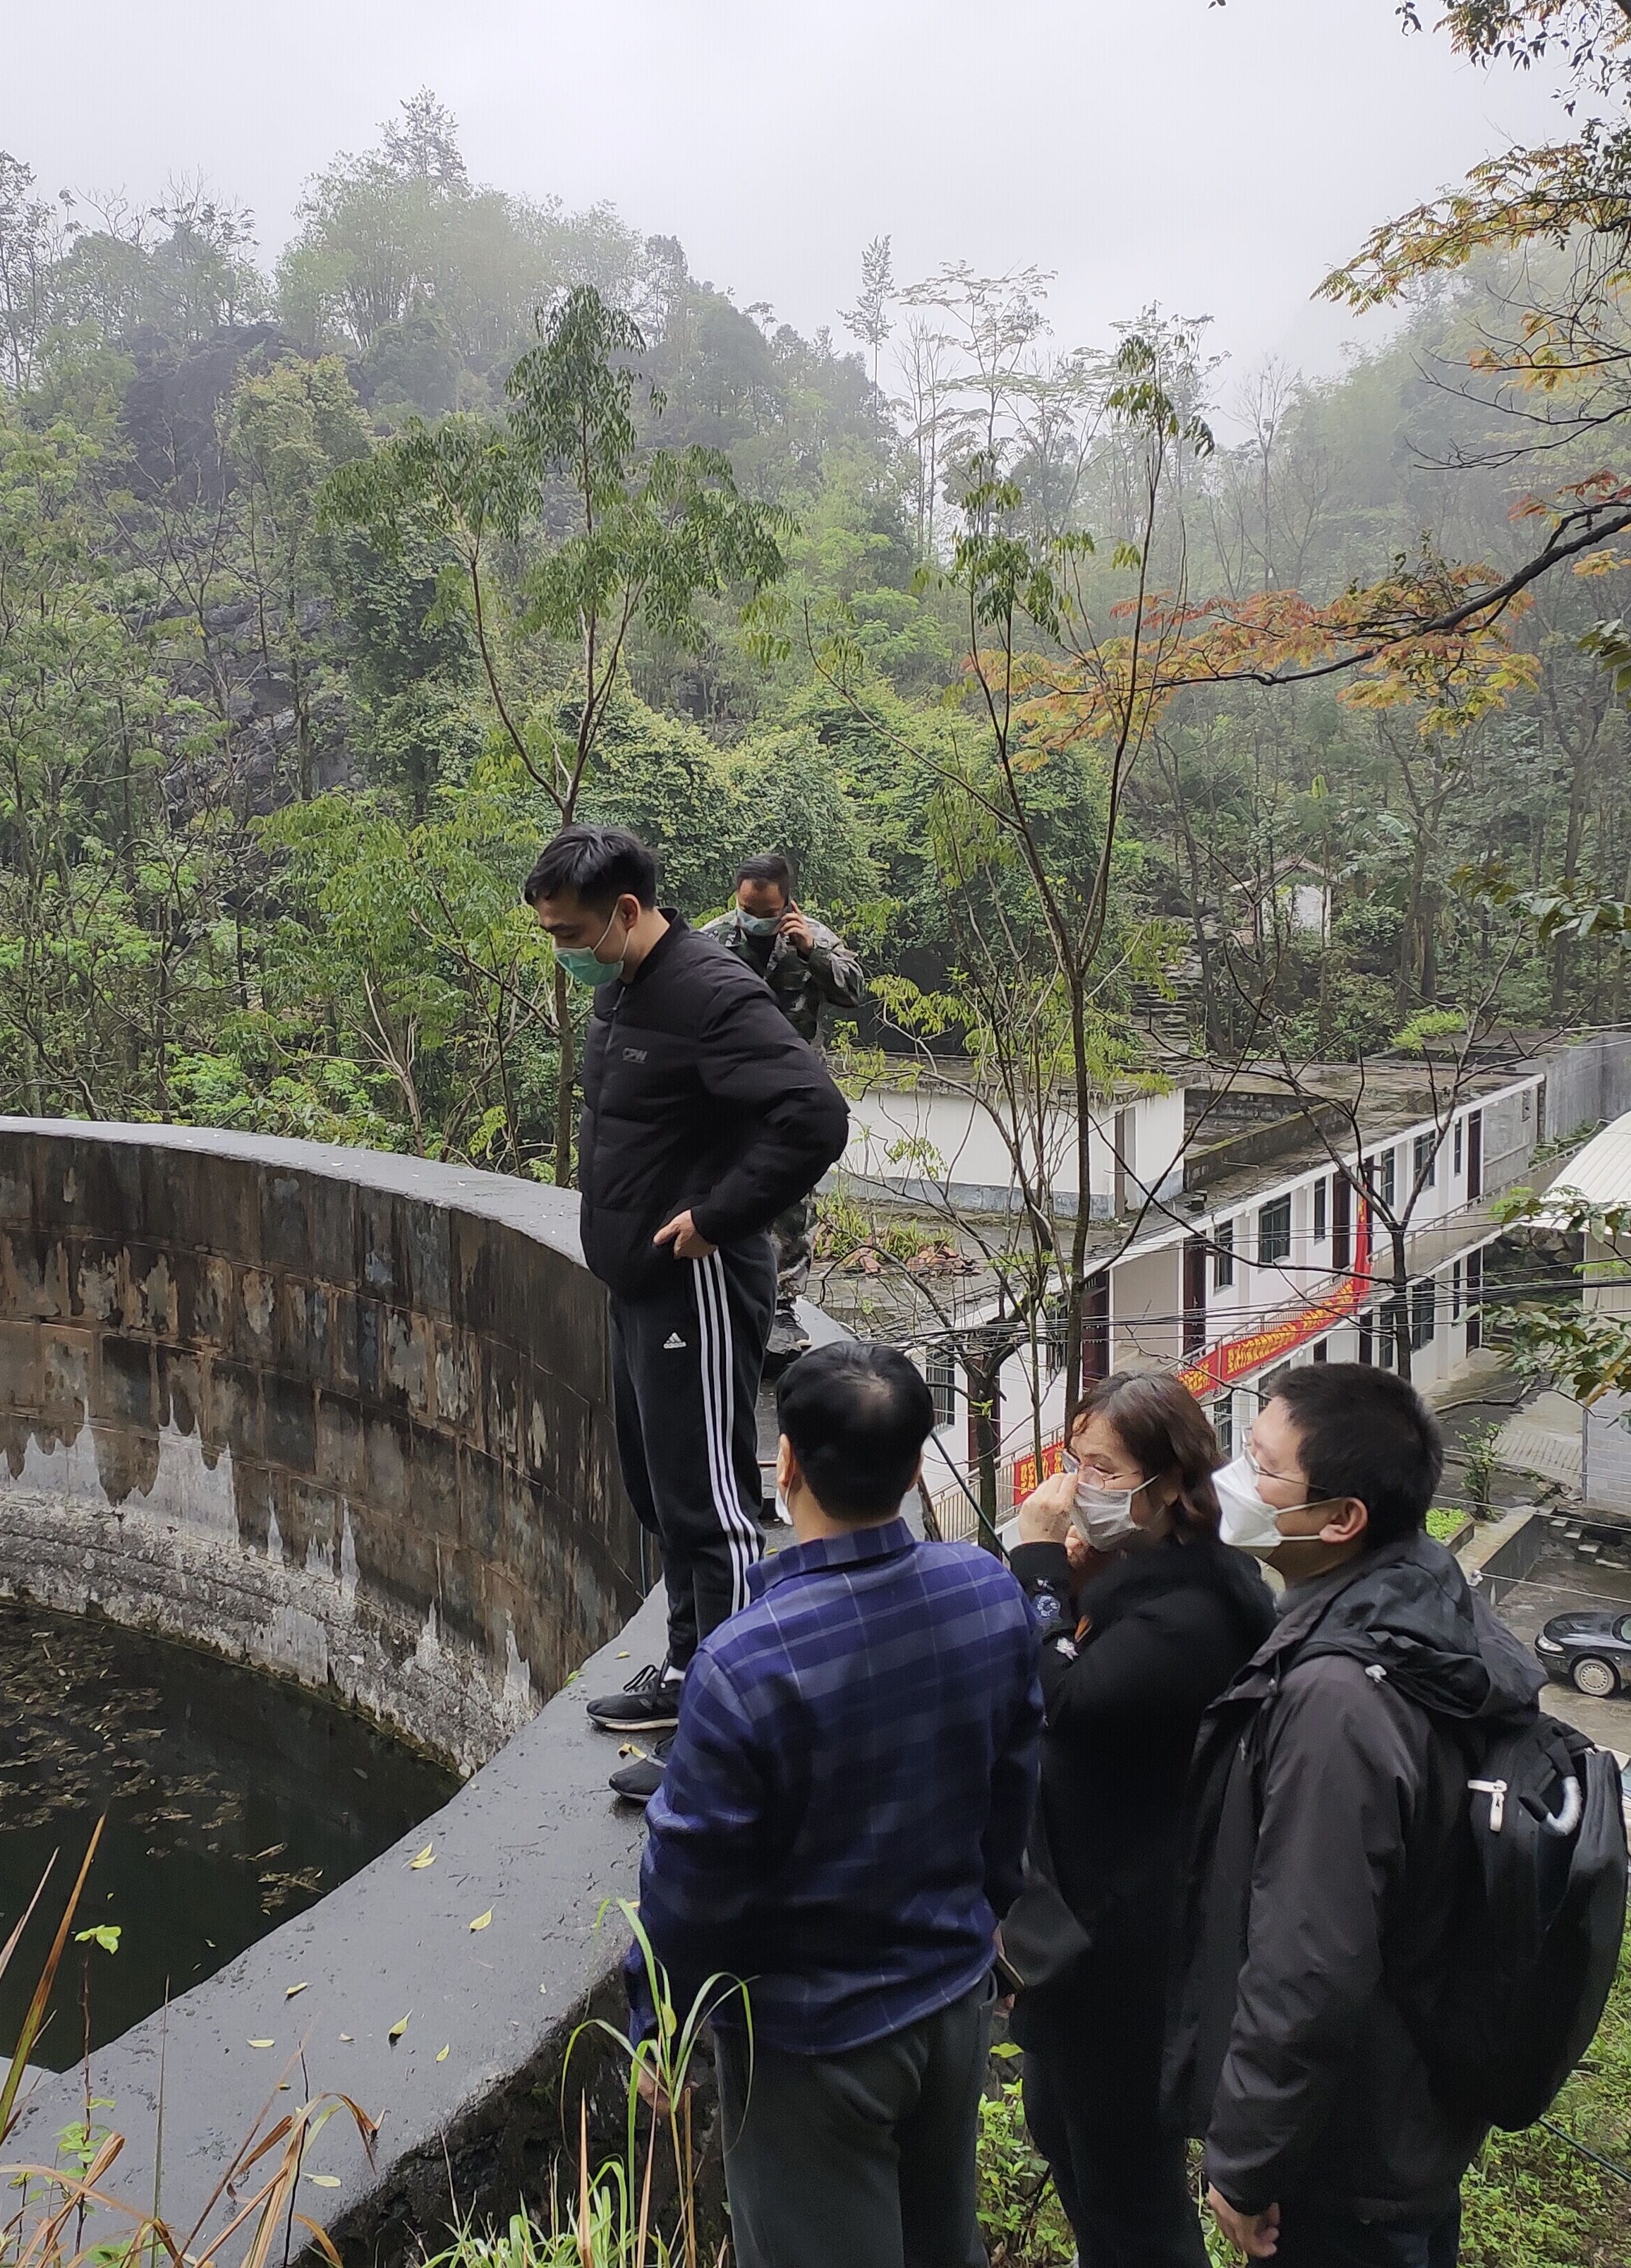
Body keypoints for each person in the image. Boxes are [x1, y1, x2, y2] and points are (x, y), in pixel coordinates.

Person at [631, 1341, 1042, 2268]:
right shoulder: (987, 1590)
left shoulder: (743, 1664)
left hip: (813, 2043)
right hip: (949, 1995)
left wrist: (661, 2020)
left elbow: (692, 1880)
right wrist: (987, 1914)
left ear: (786, 1467)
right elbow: (1013, 1784)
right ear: (915, 1464)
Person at [1165, 1363, 1545, 2268]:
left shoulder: (1341, 1695)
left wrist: (1248, 2159)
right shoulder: (1418, 1598)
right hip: (1400, 2114)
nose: (1235, 1482)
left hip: (1341, 2159)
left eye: (1262, 1468)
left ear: (1342, 1520)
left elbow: (1312, 1951)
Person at [523, 824, 849, 1802]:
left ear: (626, 912)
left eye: (570, 932)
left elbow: (814, 1114)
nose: (562, 951)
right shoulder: (624, 985)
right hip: (639, 1284)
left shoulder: (707, 990)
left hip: (696, 1286)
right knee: (659, 1492)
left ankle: (735, 1731)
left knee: (713, 1509)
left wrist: (719, 1215)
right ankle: (684, 1672)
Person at [1002, 1370, 1275, 2268]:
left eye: (1102, 1466)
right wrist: (1082, 1586)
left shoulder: (1197, 1609)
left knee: (1126, 2188)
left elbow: (1067, 1702)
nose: (1079, 1483)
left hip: (1128, 1946)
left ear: (1166, 1484)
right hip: (1078, 1924)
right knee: (1062, 2129)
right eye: (1075, 1460)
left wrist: (1039, 1566)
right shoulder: (1145, 1580)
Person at [703, 852, 863, 1324]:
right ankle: (728, 1292)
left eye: (765, 913)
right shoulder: (712, 939)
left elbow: (854, 990)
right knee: (726, 1185)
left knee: (791, 1195)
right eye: (746, 910)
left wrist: (812, 952)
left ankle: (784, 1304)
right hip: (730, 1089)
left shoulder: (811, 938)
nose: (754, 921)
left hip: (793, 1089)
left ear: (787, 903)